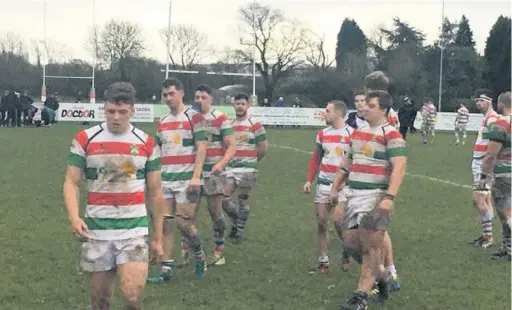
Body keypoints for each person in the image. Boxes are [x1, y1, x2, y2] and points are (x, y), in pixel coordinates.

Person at [62, 82, 165, 310]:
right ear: (104, 109)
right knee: (100, 302)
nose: (115, 117)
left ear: (133, 111)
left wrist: (157, 237)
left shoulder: (147, 143)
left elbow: (156, 193)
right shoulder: (84, 139)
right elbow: (71, 182)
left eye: (122, 112)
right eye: (110, 111)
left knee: (131, 297)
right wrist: (74, 217)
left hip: (134, 231)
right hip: (97, 231)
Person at [335, 90, 407, 310]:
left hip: (375, 196)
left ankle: (361, 296)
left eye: (371, 105)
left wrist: (389, 198)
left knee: (370, 248)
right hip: (354, 194)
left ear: (383, 109)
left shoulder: (392, 135)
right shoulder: (357, 132)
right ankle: (383, 278)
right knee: (349, 242)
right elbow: (347, 162)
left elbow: (399, 168)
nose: (364, 108)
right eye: (364, 104)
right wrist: (335, 186)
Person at [147, 78, 208, 284]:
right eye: (165, 95)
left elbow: (201, 147)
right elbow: (157, 150)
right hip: (166, 179)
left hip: (186, 180)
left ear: (181, 93)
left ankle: (199, 254)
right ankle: (166, 271)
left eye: (171, 93)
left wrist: (196, 177)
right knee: (165, 223)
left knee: (184, 223)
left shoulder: (194, 118)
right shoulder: (162, 121)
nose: (168, 98)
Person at [181, 84, 236, 267]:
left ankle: (219, 251)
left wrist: (221, 164)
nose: (199, 100)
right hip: (193, 173)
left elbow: (231, 146)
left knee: (215, 213)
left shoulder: (220, 118)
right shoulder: (188, 118)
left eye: (203, 97)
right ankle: (185, 252)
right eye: (196, 97)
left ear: (210, 99)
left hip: (214, 174)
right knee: (187, 214)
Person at [303, 100, 353, 274]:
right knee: (322, 222)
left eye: (328, 111)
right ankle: (323, 260)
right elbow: (316, 158)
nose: (325, 113)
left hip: (343, 186)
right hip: (323, 184)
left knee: (339, 221)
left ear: (339, 113)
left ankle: (346, 249)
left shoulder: (352, 134)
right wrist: (309, 180)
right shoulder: (322, 134)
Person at [222, 93, 269, 244]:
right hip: (231, 168)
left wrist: (253, 161)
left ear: (248, 105)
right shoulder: (229, 124)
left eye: (243, 104)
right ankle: (237, 220)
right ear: (233, 105)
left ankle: (238, 231)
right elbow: (225, 145)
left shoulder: (255, 124)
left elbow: (263, 147)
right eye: (237, 104)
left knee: (242, 200)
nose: (240, 106)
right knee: (223, 199)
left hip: (248, 169)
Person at [478, 91, 511, 261]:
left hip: (505, 173)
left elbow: (490, 155)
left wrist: (483, 177)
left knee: (505, 212)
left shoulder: (502, 124)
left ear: (501, 105)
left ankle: (510, 251)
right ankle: (507, 247)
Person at [470, 89, 499, 248]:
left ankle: (488, 237)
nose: (478, 104)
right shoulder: (487, 118)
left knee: (478, 199)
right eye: (477, 101)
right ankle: (486, 235)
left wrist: (489, 159)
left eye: (481, 101)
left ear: (488, 101)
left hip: (484, 164)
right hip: (480, 162)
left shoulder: (492, 118)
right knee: (485, 199)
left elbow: (498, 136)